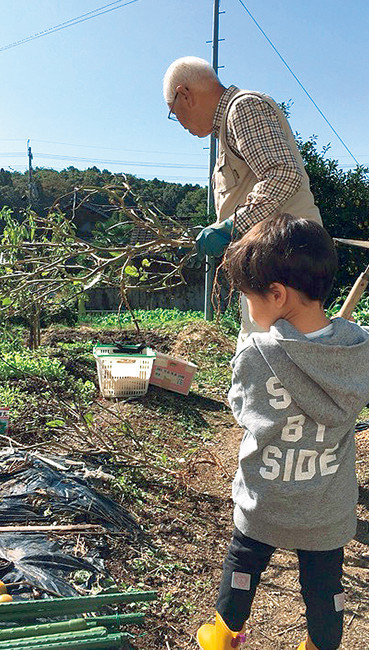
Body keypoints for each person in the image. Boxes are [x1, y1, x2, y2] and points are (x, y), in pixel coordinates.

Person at [196, 213, 369, 650]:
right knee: (325, 584)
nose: (248, 307)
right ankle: (320, 645)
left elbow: (242, 408)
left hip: (266, 499)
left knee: (243, 566)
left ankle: (222, 636)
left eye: (248, 297)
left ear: (276, 294)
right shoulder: (358, 348)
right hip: (326, 507)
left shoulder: (256, 353)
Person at [163, 56, 321, 345]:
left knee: (275, 357)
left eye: (174, 112)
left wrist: (229, 227)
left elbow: (283, 174)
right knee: (260, 352)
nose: (180, 123)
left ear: (185, 94)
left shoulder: (243, 108)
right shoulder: (227, 128)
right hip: (270, 261)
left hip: (284, 257)